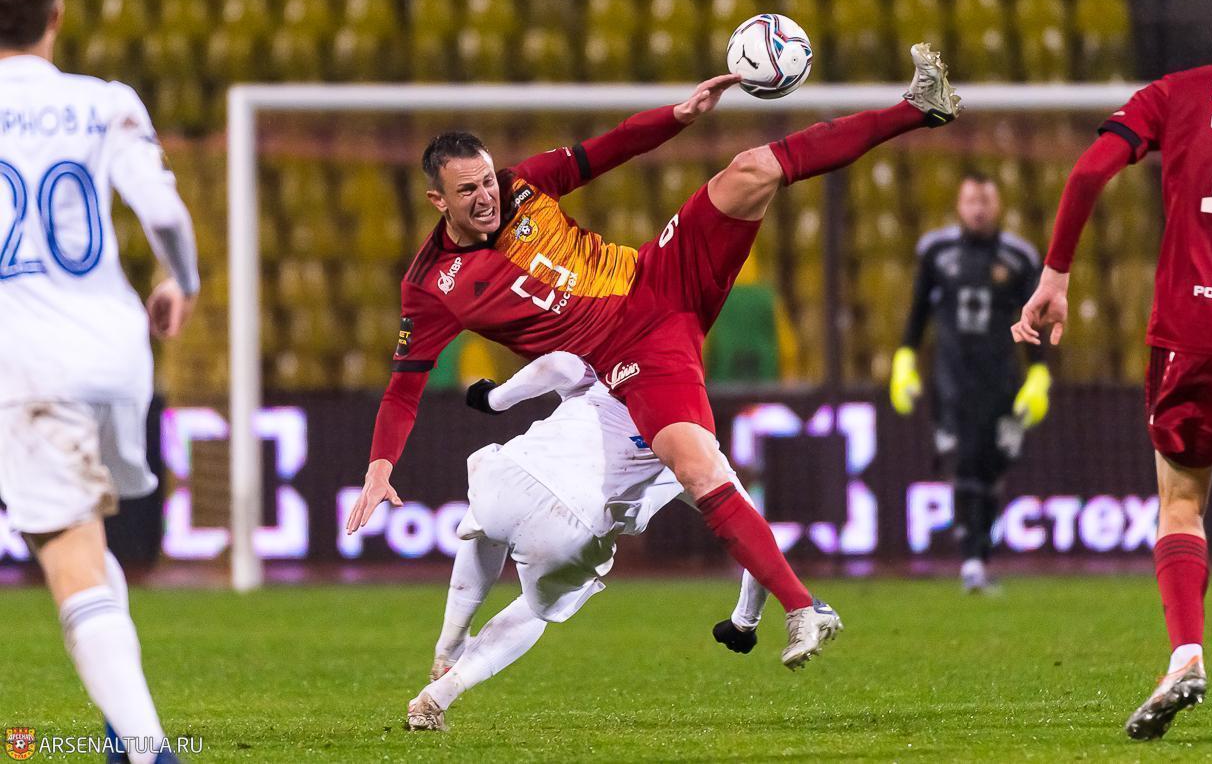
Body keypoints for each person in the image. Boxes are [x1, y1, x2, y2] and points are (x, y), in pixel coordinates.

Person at [346, 42, 960, 668]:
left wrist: (678, 115)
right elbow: (404, 387)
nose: (486, 197)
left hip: (659, 274)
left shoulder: (522, 184)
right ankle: (803, 608)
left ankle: (918, 108)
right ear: (438, 201)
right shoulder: (430, 286)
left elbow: (608, 149)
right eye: (467, 190)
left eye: (485, 181)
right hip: (631, 355)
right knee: (697, 469)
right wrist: (379, 467)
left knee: (751, 169)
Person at [1014, 0, 1212, 741]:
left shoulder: (1178, 92)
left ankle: (1186, 656)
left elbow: (1090, 169)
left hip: (1193, 332)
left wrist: (1056, 276)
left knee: (1182, 503)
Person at [0, 0, 197, 764]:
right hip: (119, 354)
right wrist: (180, 281)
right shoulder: (105, 101)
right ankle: (125, 735)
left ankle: (149, 750)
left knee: (68, 553)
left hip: (29, 360)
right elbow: (165, 214)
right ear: (57, 14)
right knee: (92, 536)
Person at [406, 352, 770, 731]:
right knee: (536, 608)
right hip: (570, 525)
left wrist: (494, 398)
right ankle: (439, 695)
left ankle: (450, 642)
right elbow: (756, 538)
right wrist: (744, 622)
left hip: (509, 476)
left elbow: (557, 364)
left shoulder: (605, 375)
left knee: (484, 526)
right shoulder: (698, 449)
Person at [890, 172, 1050, 592]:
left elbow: (1034, 320)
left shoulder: (1020, 257)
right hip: (951, 380)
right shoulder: (935, 252)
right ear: (959, 206)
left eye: (986, 201)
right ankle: (972, 561)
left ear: (998, 206)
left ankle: (980, 555)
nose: (978, 210)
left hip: (1001, 380)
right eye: (971, 201)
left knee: (992, 468)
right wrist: (905, 357)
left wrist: (1038, 372)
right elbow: (918, 311)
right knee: (961, 463)